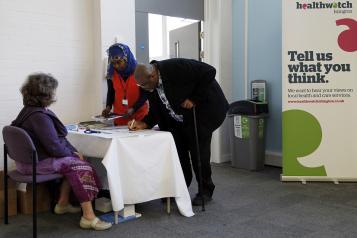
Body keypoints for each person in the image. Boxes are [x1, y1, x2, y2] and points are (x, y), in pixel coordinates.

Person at [11, 73, 112, 230]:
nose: (54, 94)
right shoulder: (39, 116)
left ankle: (62, 203)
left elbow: (54, 144)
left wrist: (71, 152)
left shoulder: (28, 111)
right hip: (33, 165)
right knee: (79, 165)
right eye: (53, 91)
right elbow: (54, 147)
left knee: (73, 161)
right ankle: (88, 217)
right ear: (46, 93)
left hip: (26, 162)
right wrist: (73, 154)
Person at [129, 59, 229, 206]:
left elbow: (209, 71)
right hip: (180, 119)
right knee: (178, 151)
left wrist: (194, 98)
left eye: (143, 85)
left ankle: (206, 190)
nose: (143, 88)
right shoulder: (151, 86)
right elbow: (157, 106)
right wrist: (145, 122)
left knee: (198, 152)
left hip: (205, 112)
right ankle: (180, 187)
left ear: (152, 76)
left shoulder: (176, 67)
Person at [102, 43, 149, 125]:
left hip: (139, 119)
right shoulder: (112, 73)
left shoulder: (139, 71)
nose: (116, 66)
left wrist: (133, 109)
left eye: (119, 62)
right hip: (120, 119)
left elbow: (145, 95)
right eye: (113, 63)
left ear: (126, 58)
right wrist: (108, 107)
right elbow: (111, 92)